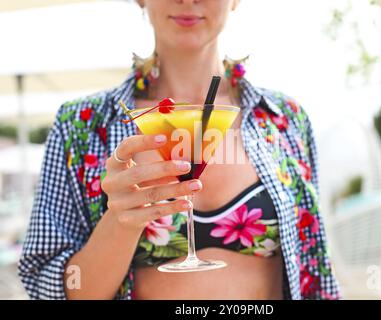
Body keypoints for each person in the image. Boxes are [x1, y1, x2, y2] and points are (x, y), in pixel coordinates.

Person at [18, 0, 341, 300]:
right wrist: (121, 221)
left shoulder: (285, 118)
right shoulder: (82, 124)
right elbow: (54, 289)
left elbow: (316, 270)